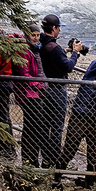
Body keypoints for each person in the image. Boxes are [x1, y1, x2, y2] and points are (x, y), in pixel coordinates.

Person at [36, 14, 83, 168]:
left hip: (43, 89)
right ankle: (54, 161)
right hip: (56, 90)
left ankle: (45, 159)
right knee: (57, 127)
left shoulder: (40, 42)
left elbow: (54, 55)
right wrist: (75, 53)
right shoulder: (54, 48)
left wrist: (67, 50)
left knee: (44, 125)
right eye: (59, 27)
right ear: (54, 28)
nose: (59, 30)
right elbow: (68, 67)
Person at [15, 28, 51, 167]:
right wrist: (39, 84)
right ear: (27, 35)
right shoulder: (25, 51)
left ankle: (33, 159)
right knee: (32, 128)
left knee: (35, 128)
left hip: (35, 92)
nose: (36, 38)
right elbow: (24, 75)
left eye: (37, 35)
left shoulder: (35, 49)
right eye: (33, 35)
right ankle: (29, 160)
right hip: (28, 93)